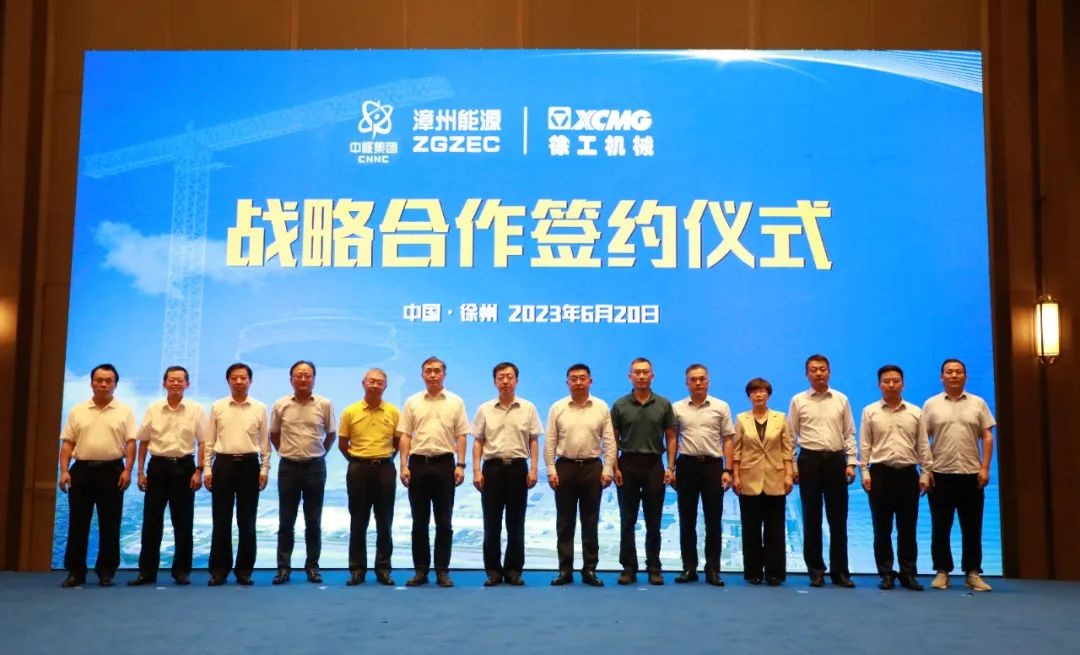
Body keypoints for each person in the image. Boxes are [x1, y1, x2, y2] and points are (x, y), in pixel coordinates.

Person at [58, 364, 136, 588]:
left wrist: (128, 470)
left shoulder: (124, 411)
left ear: (115, 384)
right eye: (99, 380)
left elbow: (131, 443)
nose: (103, 384)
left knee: (110, 523)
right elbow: (68, 444)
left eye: (108, 381)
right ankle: (76, 572)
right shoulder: (78, 410)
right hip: (81, 471)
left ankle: (106, 571)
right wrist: (64, 471)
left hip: (112, 471)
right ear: (91, 383)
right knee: (78, 523)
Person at [128, 365, 207, 587]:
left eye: (180, 380)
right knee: (151, 521)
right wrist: (140, 472)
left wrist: (199, 470)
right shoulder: (154, 409)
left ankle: (181, 572)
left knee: (183, 522)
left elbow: (203, 442)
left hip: (184, 467)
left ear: (187, 384)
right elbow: (143, 441)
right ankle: (147, 572)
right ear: (164, 383)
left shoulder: (196, 410)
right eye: (171, 380)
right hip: (157, 468)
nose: (175, 383)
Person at [921, 358, 996, 592]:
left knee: (972, 526)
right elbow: (923, 440)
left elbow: (987, 436)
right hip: (940, 474)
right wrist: (926, 470)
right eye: (949, 372)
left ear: (965, 376)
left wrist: (985, 467)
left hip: (971, 473)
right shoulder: (931, 404)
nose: (954, 375)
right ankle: (942, 571)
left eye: (959, 372)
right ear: (941, 377)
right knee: (940, 526)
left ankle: (972, 572)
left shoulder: (978, 403)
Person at [397, 356, 468, 588]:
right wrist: (403, 465)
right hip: (418, 464)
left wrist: (461, 465)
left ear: (444, 374)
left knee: (444, 521)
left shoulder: (455, 401)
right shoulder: (412, 402)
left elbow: (461, 435)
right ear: (422, 375)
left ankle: (442, 571)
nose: (433, 375)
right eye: (428, 371)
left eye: (437, 371)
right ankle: (421, 570)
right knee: (419, 521)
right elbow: (405, 435)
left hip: (445, 464)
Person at [859, 365, 931, 591]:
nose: (891, 385)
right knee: (882, 528)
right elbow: (865, 444)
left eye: (896, 381)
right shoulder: (870, 411)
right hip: (879, 474)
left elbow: (922, 444)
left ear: (903, 384)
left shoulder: (915, 412)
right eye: (886, 381)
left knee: (908, 528)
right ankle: (886, 574)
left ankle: (908, 574)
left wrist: (926, 472)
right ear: (879, 384)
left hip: (908, 474)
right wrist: (864, 471)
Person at [788, 353, 857, 588]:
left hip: (836, 461)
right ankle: (816, 571)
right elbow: (790, 437)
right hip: (809, 461)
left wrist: (851, 463)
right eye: (814, 370)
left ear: (829, 372)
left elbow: (849, 433)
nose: (819, 373)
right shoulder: (798, 400)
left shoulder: (841, 399)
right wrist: (793, 466)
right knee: (811, 518)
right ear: (806, 374)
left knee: (838, 519)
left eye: (823, 369)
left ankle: (840, 572)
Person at [545, 363, 615, 587]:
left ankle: (589, 569)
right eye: (573, 379)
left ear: (590, 381)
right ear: (567, 382)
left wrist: (608, 469)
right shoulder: (558, 407)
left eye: (582, 378)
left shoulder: (601, 407)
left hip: (592, 468)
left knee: (590, 521)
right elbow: (550, 441)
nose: (578, 382)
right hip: (564, 468)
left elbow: (609, 441)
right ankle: (565, 570)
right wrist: (551, 469)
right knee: (565, 523)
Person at [472, 362, 542, 586]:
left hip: (518, 469)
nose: (505, 381)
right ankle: (493, 571)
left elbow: (533, 440)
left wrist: (534, 468)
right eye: (500, 377)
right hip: (491, 469)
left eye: (509, 377)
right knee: (491, 523)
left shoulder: (528, 408)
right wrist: (476, 470)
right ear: (495, 381)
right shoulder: (485, 409)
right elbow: (478, 441)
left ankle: (513, 570)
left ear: (517, 381)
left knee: (516, 523)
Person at [611, 357, 677, 586]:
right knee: (627, 520)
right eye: (637, 372)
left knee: (654, 521)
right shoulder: (620, 405)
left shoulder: (663, 404)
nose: (641, 376)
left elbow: (671, 437)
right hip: (627, 466)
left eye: (645, 372)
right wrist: (614, 467)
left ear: (652, 376)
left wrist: (670, 467)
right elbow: (613, 439)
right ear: (630, 376)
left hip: (654, 466)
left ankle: (654, 567)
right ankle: (628, 568)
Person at [270, 360, 336, 585]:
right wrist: (286, 451)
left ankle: (312, 566)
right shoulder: (281, 404)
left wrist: (318, 452)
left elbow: (331, 434)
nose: (303, 379)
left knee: (313, 521)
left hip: (314, 467)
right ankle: (283, 567)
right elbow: (274, 434)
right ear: (291, 379)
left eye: (308, 375)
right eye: (298, 375)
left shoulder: (324, 404)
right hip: (288, 467)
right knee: (285, 521)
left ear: (314, 379)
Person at [204, 362, 270, 586]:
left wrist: (264, 469)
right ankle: (219, 570)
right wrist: (207, 468)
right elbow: (210, 441)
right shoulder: (218, 406)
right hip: (223, 465)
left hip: (249, 465)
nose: (239, 381)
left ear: (250, 381)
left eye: (243, 378)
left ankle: (244, 571)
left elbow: (264, 443)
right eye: (234, 378)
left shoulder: (259, 407)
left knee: (247, 520)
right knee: (221, 519)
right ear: (228, 381)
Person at [672, 363, 735, 586]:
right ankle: (689, 568)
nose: (697, 383)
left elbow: (728, 439)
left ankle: (713, 569)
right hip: (686, 465)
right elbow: (672, 439)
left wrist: (728, 469)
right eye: (693, 379)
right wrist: (671, 468)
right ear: (686, 383)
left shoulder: (721, 406)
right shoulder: (677, 408)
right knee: (686, 520)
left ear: (708, 381)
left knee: (713, 521)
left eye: (701, 379)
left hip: (712, 466)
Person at [338, 368, 399, 586]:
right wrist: (357, 461)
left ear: (385, 386)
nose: (375, 385)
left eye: (379, 382)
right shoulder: (350, 411)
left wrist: (384, 460)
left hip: (385, 469)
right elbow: (343, 443)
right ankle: (357, 569)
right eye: (371, 381)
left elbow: (398, 442)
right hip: (358, 469)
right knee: (358, 520)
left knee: (385, 521)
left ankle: (383, 568)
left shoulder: (393, 411)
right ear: (363, 383)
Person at [733, 377, 793, 586]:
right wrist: (736, 475)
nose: (758, 395)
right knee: (750, 529)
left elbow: (787, 450)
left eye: (762, 391)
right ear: (749, 396)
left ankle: (774, 572)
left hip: (775, 478)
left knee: (775, 529)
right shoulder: (742, 419)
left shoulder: (780, 418)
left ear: (768, 394)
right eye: (754, 392)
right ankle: (753, 572)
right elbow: (736, 451)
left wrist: (789, 474)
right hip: (749, 479)